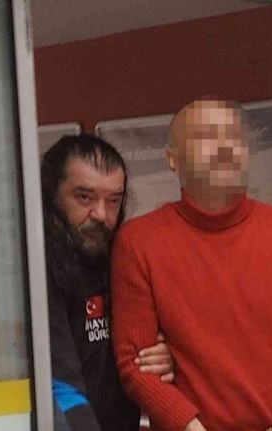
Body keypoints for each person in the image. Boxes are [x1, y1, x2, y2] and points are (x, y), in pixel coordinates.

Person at [110, 99, 272, 431]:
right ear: (173, 159)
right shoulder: (138, 241)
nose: (223, 147)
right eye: (206, 136)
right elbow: (136, 366)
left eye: (234, 137)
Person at [41, 135, 172, 431]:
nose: (101, 215)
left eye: (113, 200)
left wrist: (169, 357)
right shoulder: (37, 273)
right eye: (84, 197)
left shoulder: (124, 261)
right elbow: (60, 385)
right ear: (51, 195)